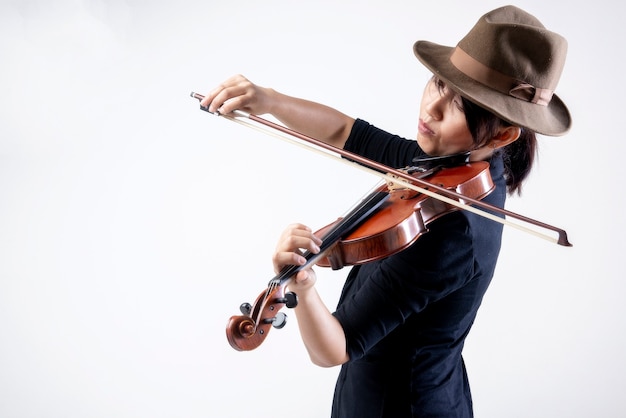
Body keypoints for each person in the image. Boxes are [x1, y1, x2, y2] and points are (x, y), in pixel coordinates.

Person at [201, 5, 571, 418]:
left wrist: (302, 287)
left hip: (397, 404)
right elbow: (347, 133)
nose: (431, 107)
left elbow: (335, 348)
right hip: (415, 388)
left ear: (503, 133)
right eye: (438, 83)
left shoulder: (452, 235)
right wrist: (270, 100)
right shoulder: (460, 165)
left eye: (460, 105)